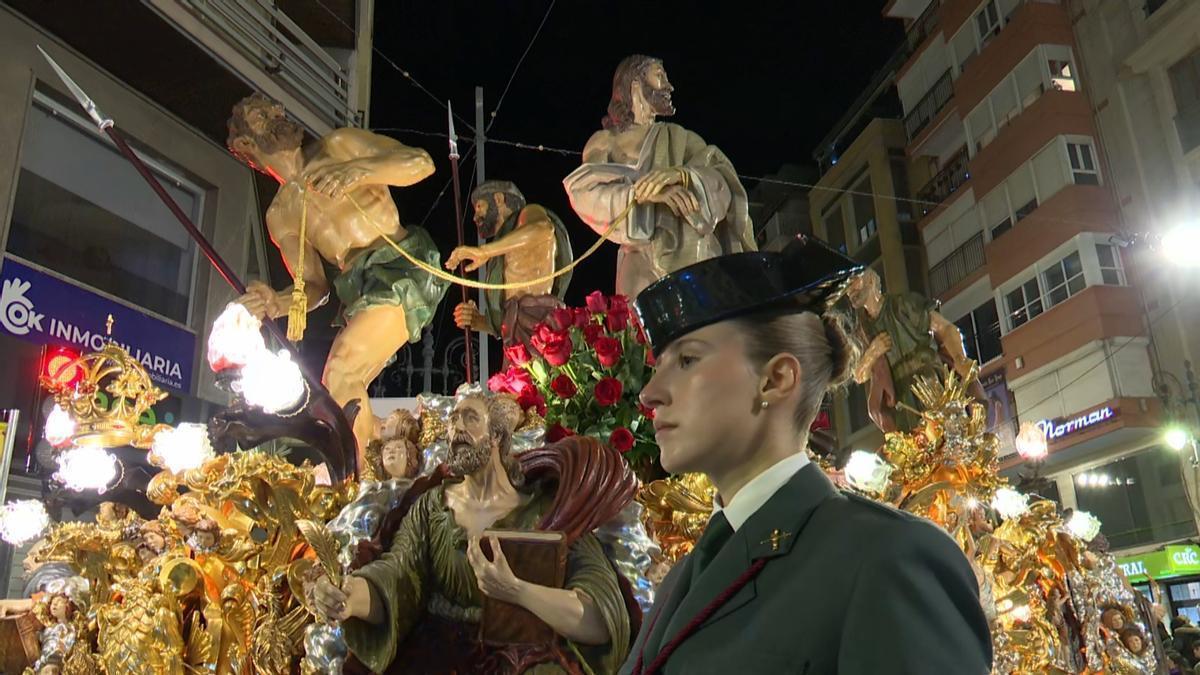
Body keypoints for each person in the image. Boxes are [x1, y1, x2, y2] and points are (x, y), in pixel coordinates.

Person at [623, 234, 992, 673]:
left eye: (687, 360)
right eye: (657, 365)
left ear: (776, 379)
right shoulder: (681, 579)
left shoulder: (888, 559)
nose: (649, 393)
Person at [309, 392, 636, 673]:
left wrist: (517, 591)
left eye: (470, 418)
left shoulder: (547, 510)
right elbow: (396, 577)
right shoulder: (433, 507)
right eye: (452, 421)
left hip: (526, 660)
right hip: (437, 656)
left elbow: (600, 618)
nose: (457, 429)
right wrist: (350, 596)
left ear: (497, 435)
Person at [227, 93, 450, 470]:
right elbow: (313, 286)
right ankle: (398, 452)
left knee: (341, 371)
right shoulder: (280, 214)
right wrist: (275, 302)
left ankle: (360, 483)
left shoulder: (339, 146)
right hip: (358, 289)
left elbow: (421, 163)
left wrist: (360, 170)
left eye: (275, 108)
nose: (277, 114)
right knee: (342, 385)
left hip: (401, 266)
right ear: (246, 144)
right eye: (262, 116)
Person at [563, 55, 754, 298]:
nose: (669, 86)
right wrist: (642, 193)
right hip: (639, 263)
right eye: (660, 76)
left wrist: (682, 175)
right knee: (641, 329)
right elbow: (585, 192)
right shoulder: (604, 142)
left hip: (696, 258)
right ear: (635, 84)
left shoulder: (682, 138)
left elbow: (724, 182)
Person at [844, 267, 989, 433]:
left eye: (853, 282)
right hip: (901, 399)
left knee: (949, 436)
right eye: (846, 287)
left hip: (930, 381)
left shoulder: (903, 304)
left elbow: (945, 327)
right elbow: (859, 375)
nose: (849, 290)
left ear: (870, 280)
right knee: (917, 448)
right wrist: (872, 353)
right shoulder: (864, 330)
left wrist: (959, 358)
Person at [447, 180, 574, 366]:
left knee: (533, 389)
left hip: (539, 323)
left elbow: (543, 229)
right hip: (515, 336)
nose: (475, 217)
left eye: (480, 207)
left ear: (498, 199)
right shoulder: (504, 246)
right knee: (515, 391)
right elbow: (510, 316)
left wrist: (485, 251)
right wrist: (479, 321)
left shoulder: (528, 213)